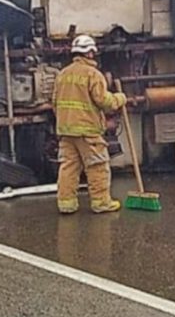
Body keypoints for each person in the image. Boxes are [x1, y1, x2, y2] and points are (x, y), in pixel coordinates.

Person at [53, 34, 127, 215]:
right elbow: (104, 101)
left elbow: (54, 101)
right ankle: (101, 203)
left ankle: (66, 204)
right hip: (87, 130)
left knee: (68, 167)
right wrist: (120, 98)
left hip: (66, 130)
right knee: (97, 166)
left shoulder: (62, 74)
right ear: (91, 53)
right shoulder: (93, 74)